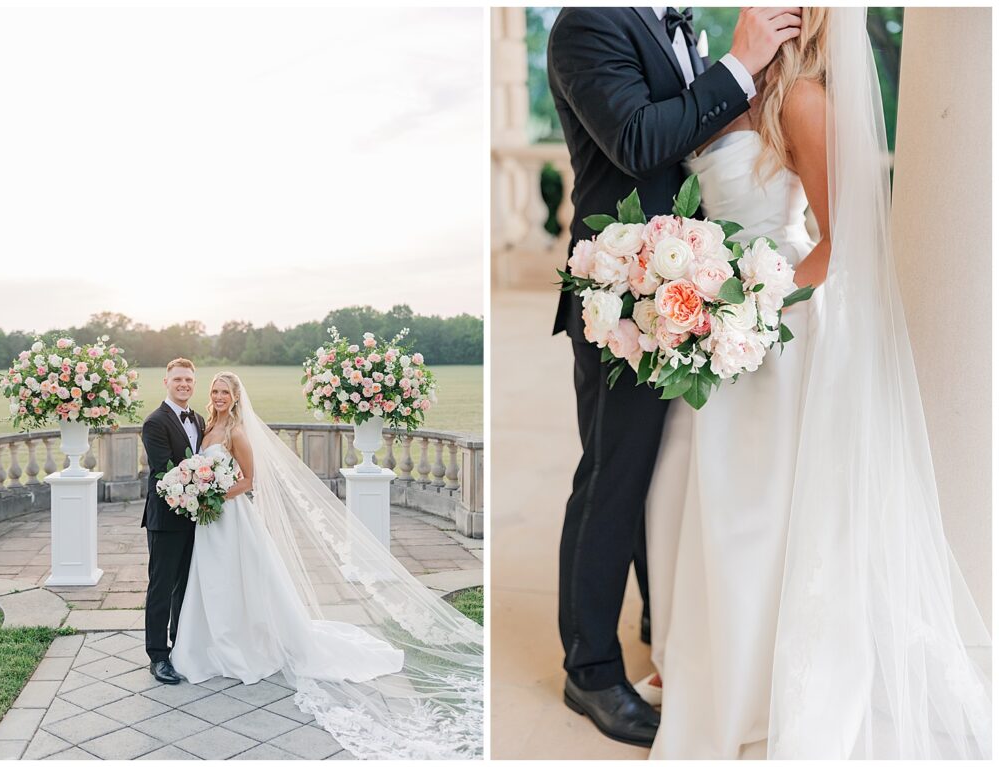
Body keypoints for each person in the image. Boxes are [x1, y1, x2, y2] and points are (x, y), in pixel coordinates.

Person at [644, 7, 990, 759]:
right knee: (699, 502)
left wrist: (749, 310)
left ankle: (753, 689)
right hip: (717, 334)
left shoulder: (802, 99)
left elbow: (843, 240)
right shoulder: (733, 84)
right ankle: (705, 665)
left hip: (774, 333)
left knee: (756, 518)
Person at [546, 6, 801, 746]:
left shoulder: (673, 23)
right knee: (614, 476)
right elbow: (636, 141)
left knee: (664, 472)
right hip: (622, 295)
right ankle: (590, 669)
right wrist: (740, 64)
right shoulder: (587, 23)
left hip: (684, 295)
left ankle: (666, 628)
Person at [167, 372, 483, 760]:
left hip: (230, 519)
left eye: (224, 392)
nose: (218, 397)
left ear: (235, 398)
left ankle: (241, 644)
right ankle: (211, 643)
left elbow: (250, 480)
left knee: (237, 581)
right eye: (214, 391)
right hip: (208, 523)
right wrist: (197, 492)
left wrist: (212, 494)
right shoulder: (206, 427)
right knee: (212, 582)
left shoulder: (237, 432)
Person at [139, 358, 206, 685]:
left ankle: (180, 645)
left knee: (186, 585)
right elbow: (164, 470)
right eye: (178, 379)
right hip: (165, 519)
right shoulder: (155, 422)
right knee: (161, 587)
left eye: (188, 380)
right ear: (166, 382)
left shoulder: (199, 419)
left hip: (195, 518)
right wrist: (205, 484)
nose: (183, 384)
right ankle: (158, 656)